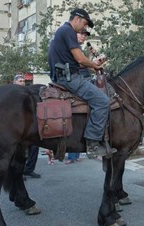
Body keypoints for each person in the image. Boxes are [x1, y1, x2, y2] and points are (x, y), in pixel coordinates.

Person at [48, 8, 116, 159]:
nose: (84, 28)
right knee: (103, 101)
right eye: (84, 24)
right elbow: (80, 59)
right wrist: (95, 66)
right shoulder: (68, 31)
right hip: (70, 78)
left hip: (66, 74)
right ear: (77, 19)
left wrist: (91, 63)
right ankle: (92, 143)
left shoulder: (63, 32)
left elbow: (76, 62)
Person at [13, 75, 42, 178]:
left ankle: (29, 169)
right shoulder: (12, 94)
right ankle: (18, 173)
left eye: (24, 81)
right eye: (20, 81)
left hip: (30, 126)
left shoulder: (28, 94)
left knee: (34, 148)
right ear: (15, 82)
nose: (23, 83)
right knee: (19, 151)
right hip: (18, 127)